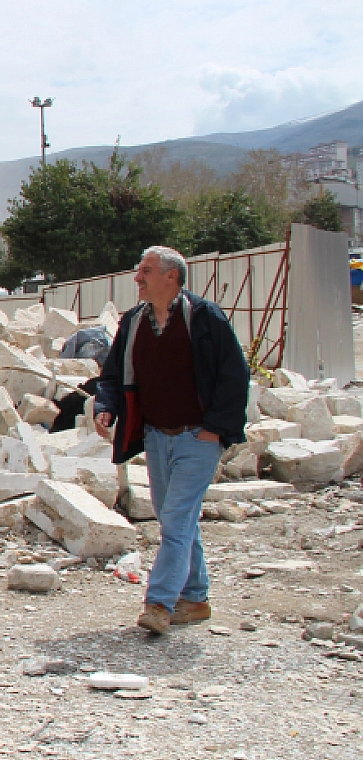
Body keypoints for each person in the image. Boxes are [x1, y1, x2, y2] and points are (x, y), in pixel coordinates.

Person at [93, 246, 249, 635]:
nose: (138, 277)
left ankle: (159, 603)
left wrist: (216, 427)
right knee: (174, 519)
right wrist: (106, 407)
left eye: (146, 270)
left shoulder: (205, 318)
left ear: (171, 277)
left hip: (199, 438)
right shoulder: (133, 323)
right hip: (157, 437)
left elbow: (235, 375)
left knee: (176, 519)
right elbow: (113, 375)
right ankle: (195, 598)